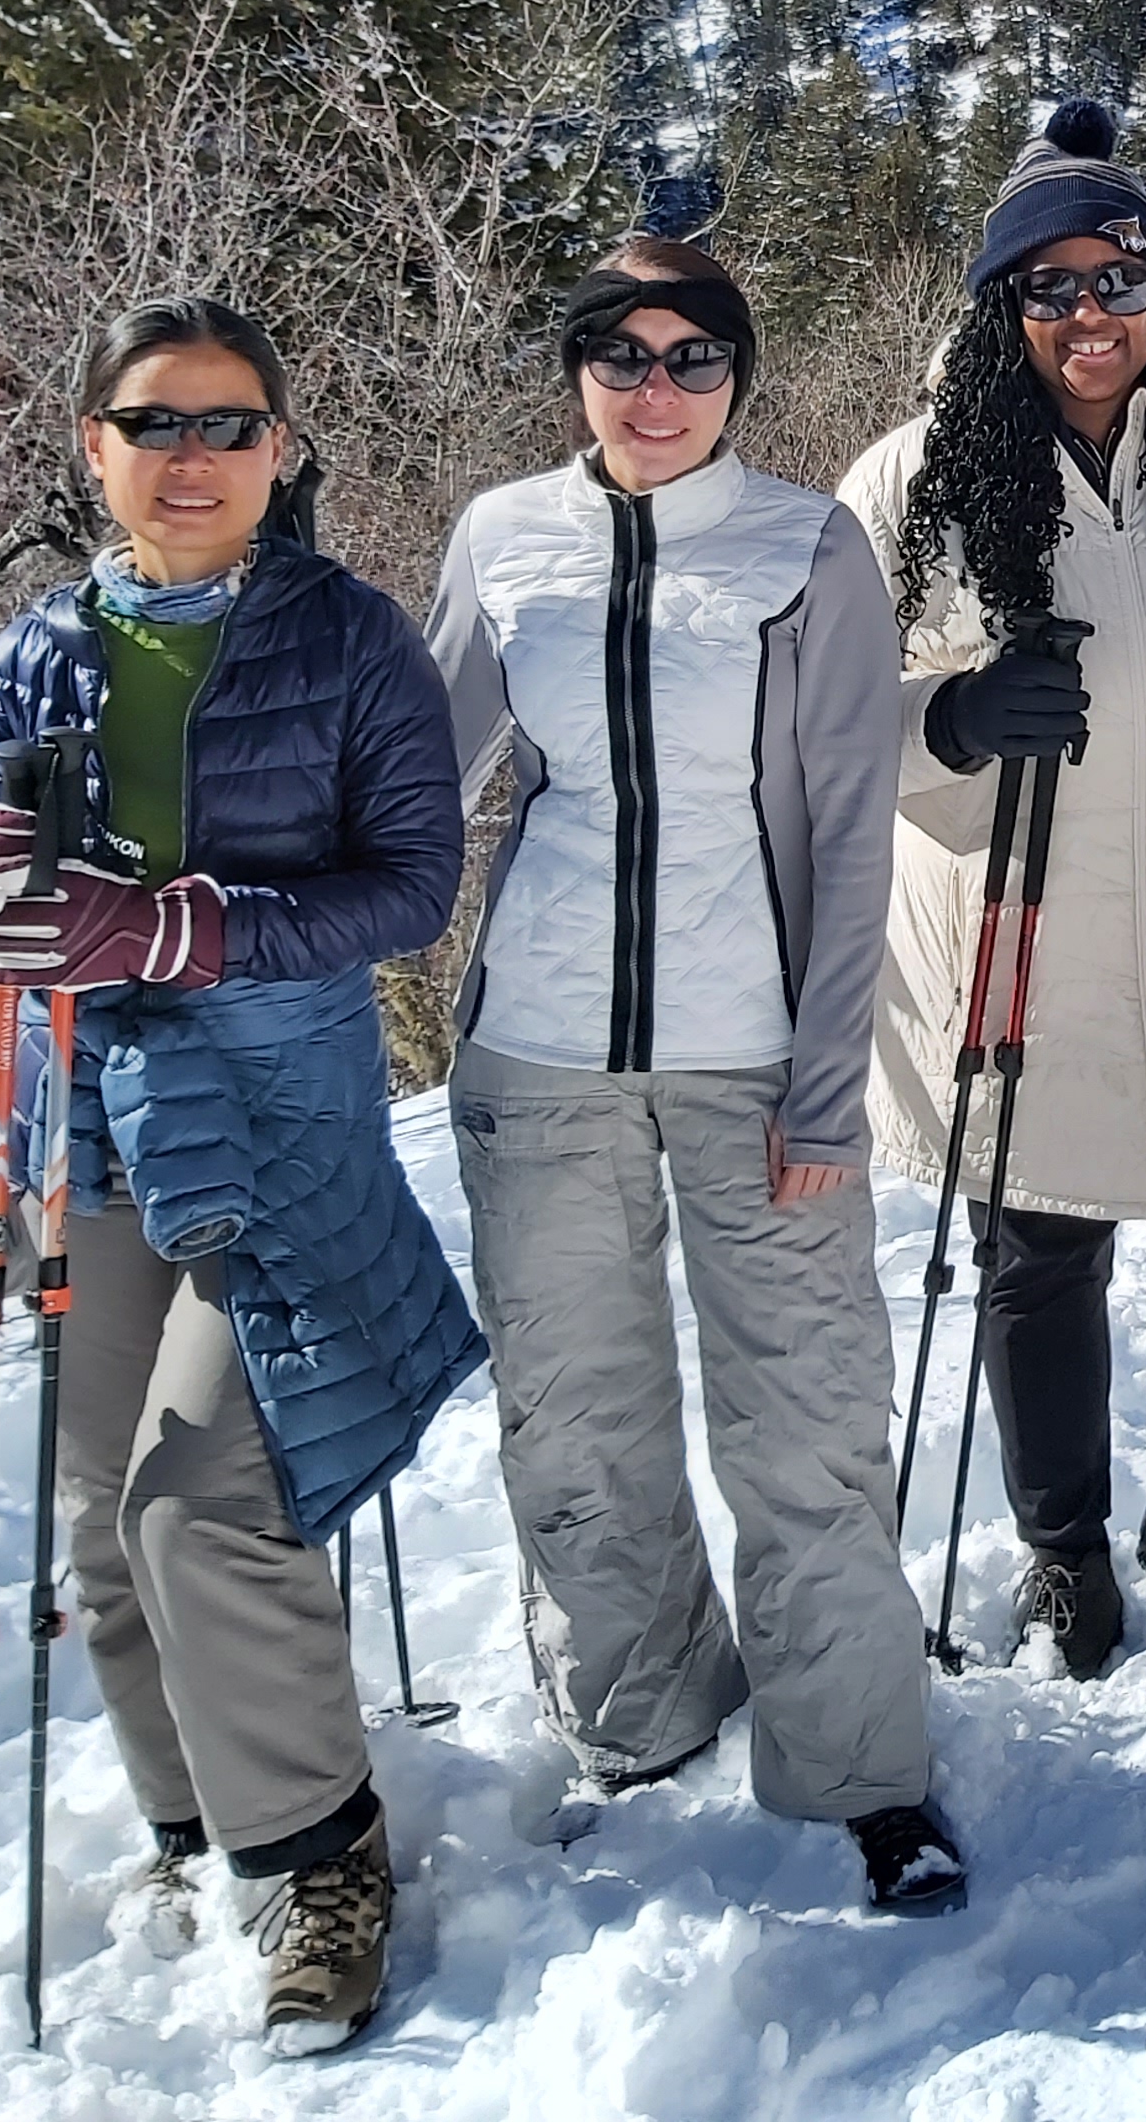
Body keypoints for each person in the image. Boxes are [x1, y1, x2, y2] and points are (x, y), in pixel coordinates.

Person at [0, 299, 478, 2057]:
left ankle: (319, 1859)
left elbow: (411, 887)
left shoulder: (352, 639)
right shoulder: (38, 654)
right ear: (93, 446)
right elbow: (23, 902)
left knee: (200, 1498)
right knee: (103, 1515)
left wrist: (179, 927)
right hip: (89, 1122)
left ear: (279, 450)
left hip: (280, 1127)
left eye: (230, 424)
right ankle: (192, 1818)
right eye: (156, 423)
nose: (193, 457)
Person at [425, 233, 968, 1916]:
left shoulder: (805, 547)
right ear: (577, 371)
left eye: (693, 359)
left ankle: (862, 1770)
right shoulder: (502, 538)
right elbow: (413, 779)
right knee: (574, 1423)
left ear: (737, 377)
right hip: (541, 1054)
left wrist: (828, 1088)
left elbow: (851, 832)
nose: (656, 390)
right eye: (622, 356)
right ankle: (641, 1727)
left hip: (755, 1059)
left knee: (806, 1420)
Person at [842, 102, 1146, 1678]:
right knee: (1037, 1266)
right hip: (1010, 952)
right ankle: (1064, 1554)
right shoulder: (910, 485)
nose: (1089, 313)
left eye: (1118, 277)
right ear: (1005, 305)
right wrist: (954, 718)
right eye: (1048, 287)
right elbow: (815, 724)